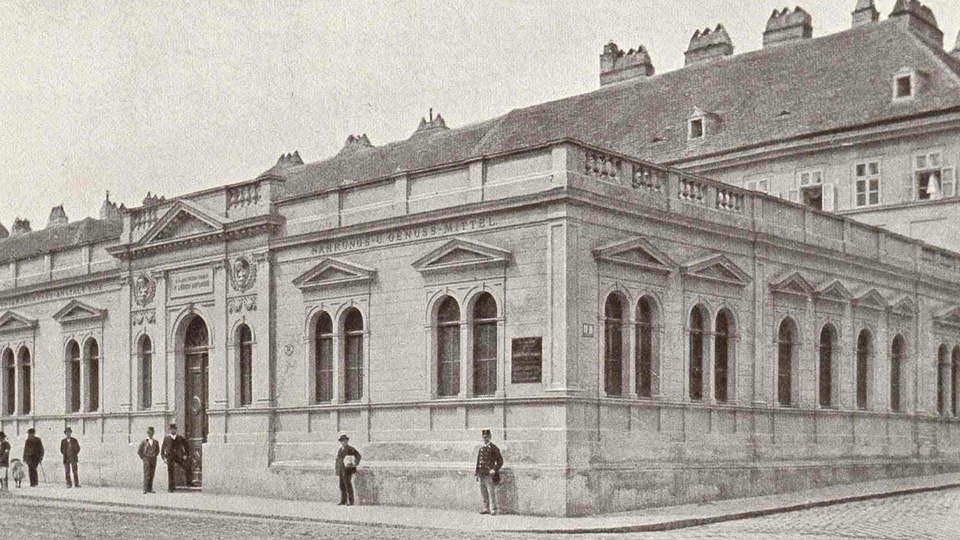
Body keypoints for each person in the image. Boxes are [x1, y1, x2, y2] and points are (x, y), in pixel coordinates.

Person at [474, 428, 503, 515]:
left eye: (487, 436)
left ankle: (493, 508)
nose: (485, 438)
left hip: (489, 474)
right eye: (484, 436)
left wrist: (494, 469)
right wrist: (477, 472)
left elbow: (500, 461)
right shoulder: (481, 449)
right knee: (483, 492)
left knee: (491, 492)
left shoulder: (494, 448)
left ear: (490, 437)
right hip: (481, 473)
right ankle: (485, 508)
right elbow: (479, 461)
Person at [161, 423, 189, 492]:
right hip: (169, 457)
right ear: (169, 430)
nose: (173, 431)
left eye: (174, 429)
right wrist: (164, 458)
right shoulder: (167, 438)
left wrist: (185, 454)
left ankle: (188, 483)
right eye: (171, 429)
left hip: (178, 456)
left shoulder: (180, 438)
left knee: (186, 467)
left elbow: (186, 445)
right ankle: (171, 487)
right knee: (171, 472)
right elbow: (162, 449)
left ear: (176, 430)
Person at [334, 434, 361, 506]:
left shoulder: (350, 449)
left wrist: (355, 462)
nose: (343, 442)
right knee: (342, 485)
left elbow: (358, 455)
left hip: (348, 470)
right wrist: (337, 470)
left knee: (348, 485)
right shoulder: (340, 450)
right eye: (342, 441)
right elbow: (338, 460)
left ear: (347, 441)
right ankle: (343, 501)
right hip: (341, 470)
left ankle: (351, 501)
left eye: (345, 441)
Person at [137, 427, 160, 494]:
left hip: (153, 459)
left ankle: (150, 488)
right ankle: (145, 489)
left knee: (152, 474)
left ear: (153, 433)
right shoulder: (144, 442)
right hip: (146, 459)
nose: (150, 434)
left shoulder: (156, 442)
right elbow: (139, 451)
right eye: (149, 433)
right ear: (147, 433)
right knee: (146, 474)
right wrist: (144, 458)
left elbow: (157, 451)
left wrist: (154, 455)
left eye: (151, 433)